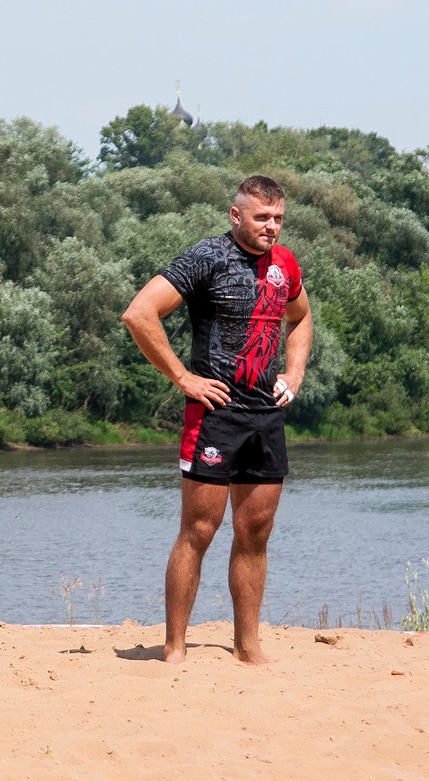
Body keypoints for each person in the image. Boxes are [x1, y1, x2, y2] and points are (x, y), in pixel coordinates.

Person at [121, 175, 312, 665]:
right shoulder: (207, 257)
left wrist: (294, 371)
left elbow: (301, 318)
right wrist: (184, 378)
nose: (271, 227)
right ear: (236, 216)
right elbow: (140, 314)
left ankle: (248, 646)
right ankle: (175, 647)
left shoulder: (285, 263)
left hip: (265, 414)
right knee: (200, 530)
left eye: (278, 219)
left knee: (256, 531)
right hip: (215, 413)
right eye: (261, 217)